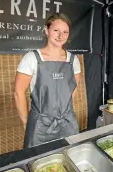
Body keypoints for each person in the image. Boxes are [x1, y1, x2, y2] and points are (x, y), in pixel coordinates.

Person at [14, 13, 81, 148]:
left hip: (67, 123)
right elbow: (18, 93)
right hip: (39, 125)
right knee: (37, 161)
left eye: (65, 32)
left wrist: (65, 111)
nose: (60, 35)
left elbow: (72, 91)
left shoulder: (73, 60)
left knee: (70, 157)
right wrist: (28, 122)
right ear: (46, 30)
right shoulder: (32, 58)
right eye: (56, 30)